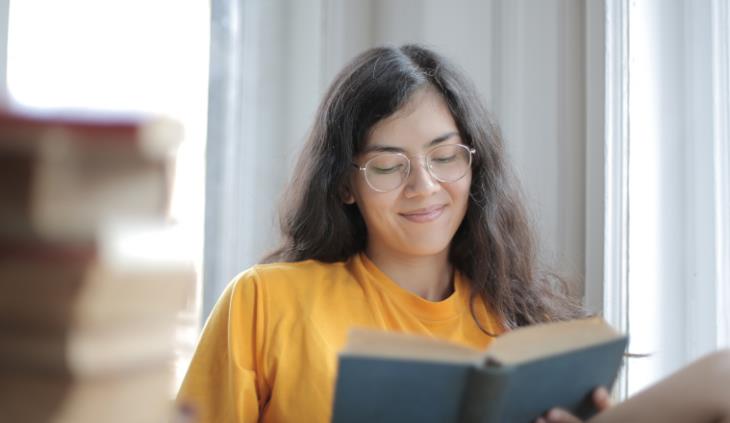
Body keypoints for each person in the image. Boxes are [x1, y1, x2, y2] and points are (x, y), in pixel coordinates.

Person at [177, 44, 730, 423]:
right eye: (389, 166)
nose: (425, 186)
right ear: (345, 184)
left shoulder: (523, 330)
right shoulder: (266, 301)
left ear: (474, 165)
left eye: (444, 157)